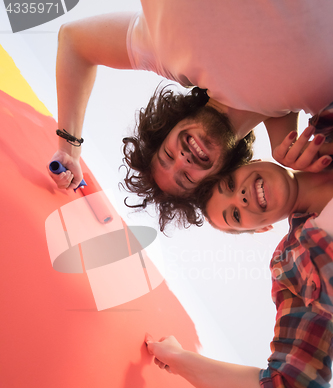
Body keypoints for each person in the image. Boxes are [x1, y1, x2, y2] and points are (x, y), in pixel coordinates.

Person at [49, 2, 333, 228]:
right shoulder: (311, 105)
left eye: (167, 156)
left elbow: (74, 41)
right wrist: (289, 143)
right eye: (186, 178)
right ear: (222, 174)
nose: (183, 160)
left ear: (167, 129)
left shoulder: (170, 53)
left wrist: (69, 150)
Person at [146, 162, 333, 388]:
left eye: (231, 184)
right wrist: (180, 359)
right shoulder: (290, 262)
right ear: (261, 229)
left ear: (254, 163)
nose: (241, 198)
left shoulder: (320, 132)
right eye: (235, 214)